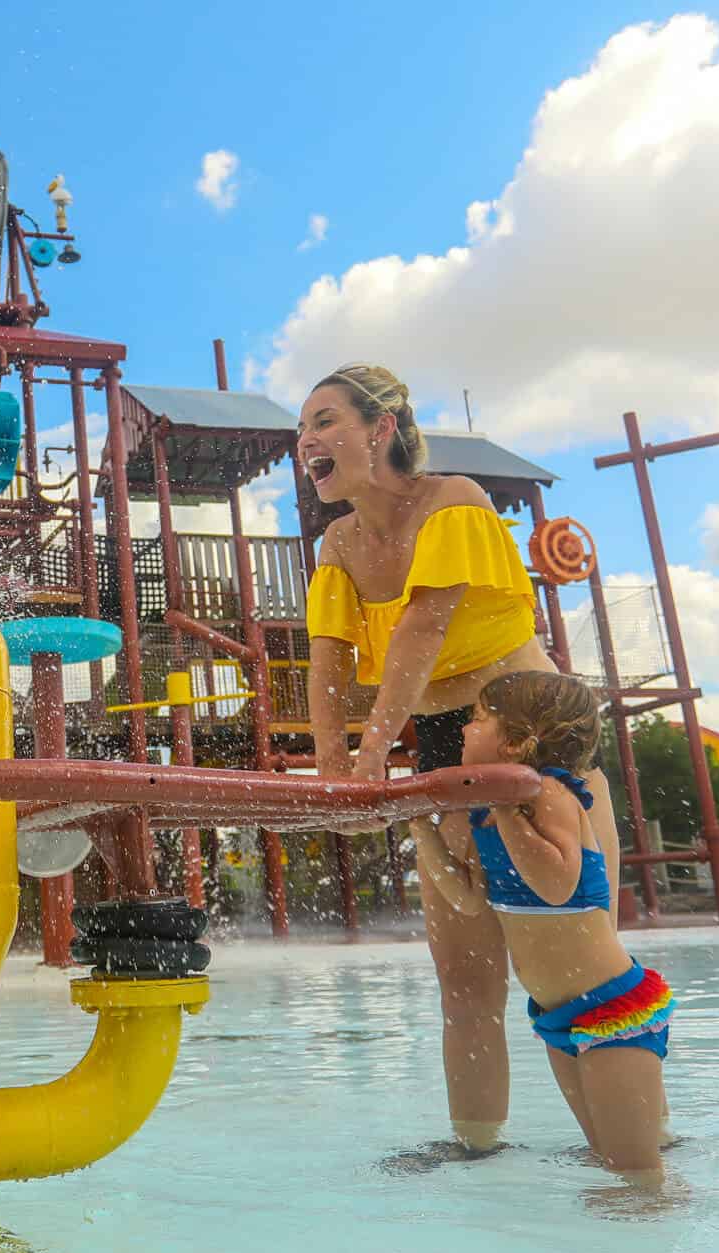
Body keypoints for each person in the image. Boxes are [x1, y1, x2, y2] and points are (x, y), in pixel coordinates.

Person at [299, 363, 555, 1161]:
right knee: (465, 974)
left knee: (564, 963)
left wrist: (373, 751)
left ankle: (638, 1138)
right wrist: (332, 764)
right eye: (302, 430)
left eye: (325, 421)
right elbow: (329, 661)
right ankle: (477, 1147)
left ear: (380, 430)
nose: (307, 441)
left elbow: (424, 624)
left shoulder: (456, 499)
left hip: (526, 726)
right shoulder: (336, 541)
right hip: (438, 735)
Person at [409, 673, 673, 1181]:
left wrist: (508, 811)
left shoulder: (549, 793)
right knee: (608, 1167)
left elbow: (556, 883)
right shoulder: (489, 814)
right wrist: (423, 829)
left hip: (612, 1012)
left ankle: (659, 1242)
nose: (464, 729)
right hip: (559, 1018)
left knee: (638, 1175)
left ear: (514, 741)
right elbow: (468, 900)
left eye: (479, 720)